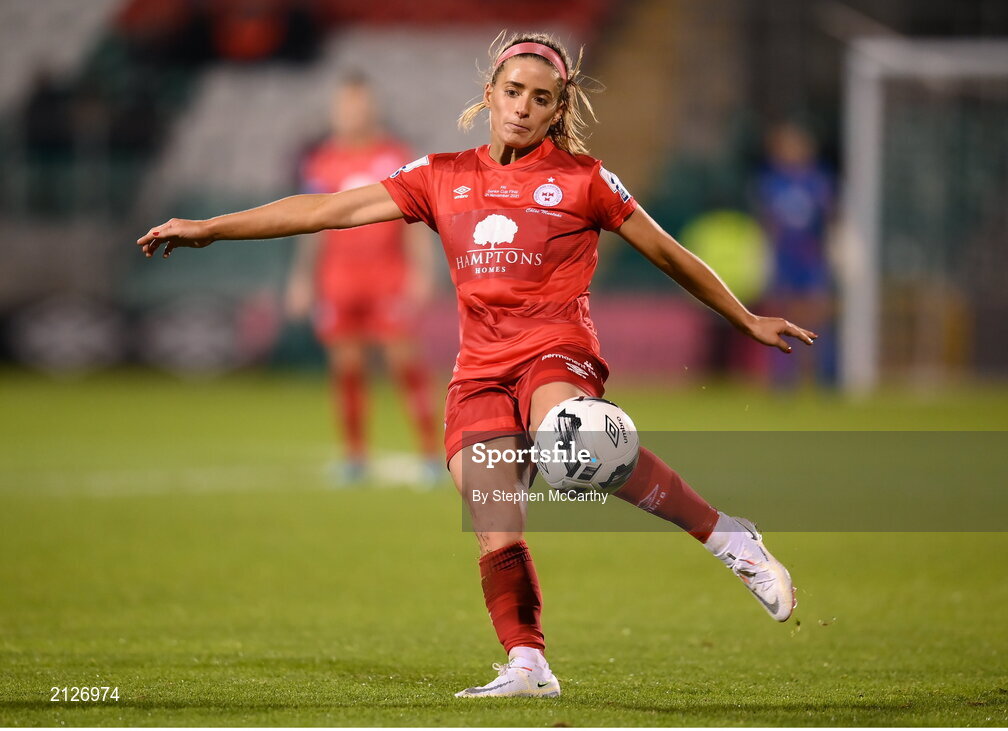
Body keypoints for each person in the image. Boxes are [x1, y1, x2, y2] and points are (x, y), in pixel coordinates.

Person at [137, 32, 817, 699]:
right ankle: (528, 664)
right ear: (489, 92)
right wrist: (209, 226)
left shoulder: (583, 180)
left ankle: (730, 537)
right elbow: (325, 209)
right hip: (479, 373)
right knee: (494, 523)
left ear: (558, 110)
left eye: (541, 98)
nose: (523, 106)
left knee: (574, 438)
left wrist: (745, 317)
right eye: (513, 91)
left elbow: (669, 253)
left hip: (555, 352)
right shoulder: (441, 177)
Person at [284, 75, 439, 483]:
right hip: (338, 279)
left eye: (360, 105)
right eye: (346, 106)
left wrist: (421, 270)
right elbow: (312, 224)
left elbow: (415, 219)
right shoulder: (322, 162)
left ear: (372, 108)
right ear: (336, 111)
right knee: (346, 367)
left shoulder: (395, 156)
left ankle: (429, 453)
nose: (353, 112)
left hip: (387, 276)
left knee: (403, 362)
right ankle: (354, 457)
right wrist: (303, 278)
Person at [756, 121, 836, 387]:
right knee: (783, 317)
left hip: (810, 256)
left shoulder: (818, 180)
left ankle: (825, 377)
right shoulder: (771, 182)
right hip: (785, 257)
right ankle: (783, 380)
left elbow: (830, 218)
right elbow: (768, 223)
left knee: (816, 315)